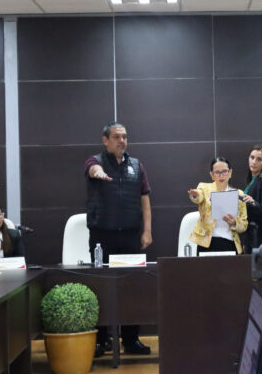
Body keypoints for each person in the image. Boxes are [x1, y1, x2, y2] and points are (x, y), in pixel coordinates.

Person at [85, 122, 152, 356]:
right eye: (116, 136)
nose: (121, 140)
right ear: (106, 140)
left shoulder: (137, 165)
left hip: (131, 235)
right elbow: (92, 169)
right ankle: (100, 340)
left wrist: (147, 230)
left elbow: (145, 198)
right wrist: (99, 173)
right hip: (102, 235)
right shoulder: (94, 161)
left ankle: (131, 340)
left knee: (132, 287)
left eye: (124, 136)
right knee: (101, 288)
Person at [188, 157, 248, 254]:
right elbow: (199, 197)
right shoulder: (204, 188)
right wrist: (195, 195)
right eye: (217, 172)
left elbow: (244, 225)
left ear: (230, 172)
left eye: (224, 171)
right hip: (207, 243)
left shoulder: (239, 194)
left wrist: (234, 223)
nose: (221, 175)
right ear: (211, 175)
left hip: (230, 242)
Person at [240, 145, 262, 252]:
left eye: (259, 159)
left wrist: (253, 202)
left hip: (260, 238)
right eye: (252, 157)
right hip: (251, 237)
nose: (254, 162)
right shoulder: (252, 180)